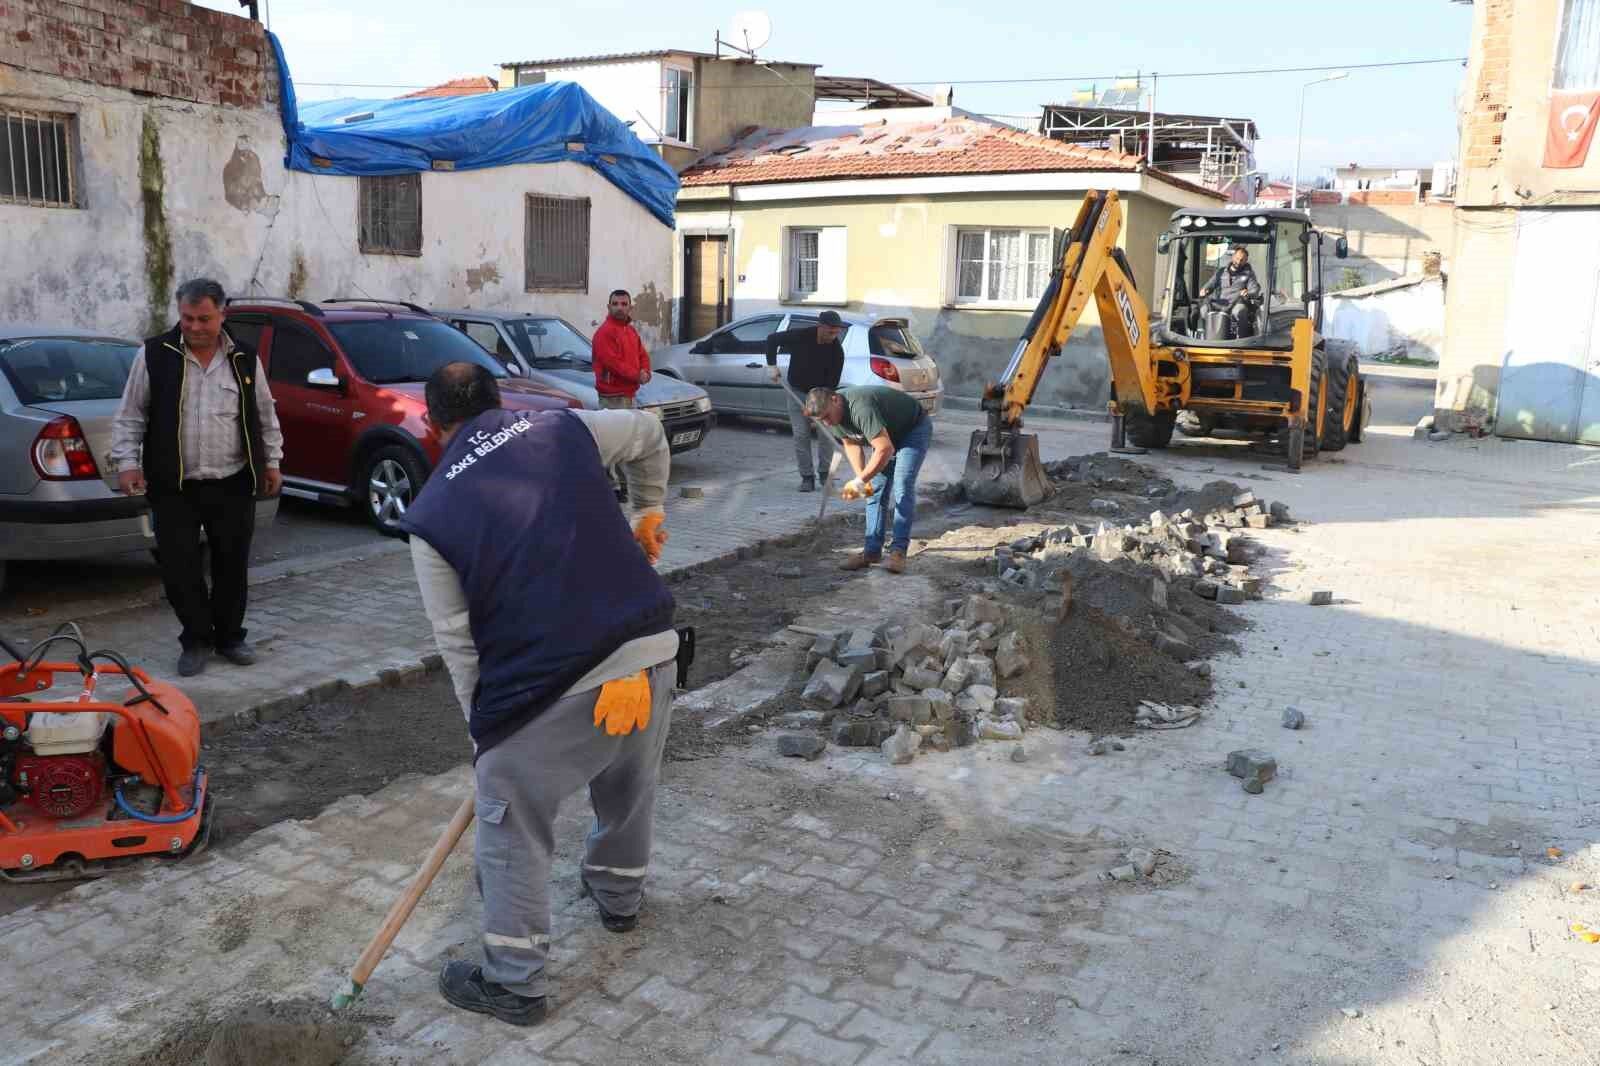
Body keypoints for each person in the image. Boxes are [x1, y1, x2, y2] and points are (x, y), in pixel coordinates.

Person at [400, 362, 677, 1028]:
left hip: (556, 679)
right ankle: (618, 898)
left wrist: (486, 742)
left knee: (510, 814)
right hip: (653, 648)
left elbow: (458, 643)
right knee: (629, 780)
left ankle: (516, 983)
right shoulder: (564, 427)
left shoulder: (431, 515)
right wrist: (649, 512)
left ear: (434, 427)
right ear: (501, 402)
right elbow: (650, 432)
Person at [109, 278, 284, 677]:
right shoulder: (155, 354)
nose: (194, 326)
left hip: (232, 481)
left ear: (223, 314)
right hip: (174, 486)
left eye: (204, 318)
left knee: (232, 565)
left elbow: (265, 416)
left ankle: (230, 638)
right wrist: (127, 464)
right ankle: (196, 639)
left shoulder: (244, 358)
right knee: (179, 567)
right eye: (187, 318)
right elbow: (131, 414)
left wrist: (272, 462)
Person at [803, 384, 933, 575]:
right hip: (885, 435)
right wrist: (862, 479)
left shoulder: (861, 408)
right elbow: (851, 443)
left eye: (827, 417)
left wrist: (860, 480)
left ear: (835, 399)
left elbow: (885, 449)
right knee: (874, 490)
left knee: (902, 484)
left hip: (912, 429)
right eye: (822, 420)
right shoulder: (832, 417)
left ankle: (898, 553)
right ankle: (872, 552)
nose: (827, 423)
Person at [765, 310, 846, 492]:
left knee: (826, 435)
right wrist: (772, 365)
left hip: (821, 396)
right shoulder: (802, 336)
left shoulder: (836, 352)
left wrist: (820, 407)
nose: (833, 336)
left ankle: (825, 475)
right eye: (830, 332)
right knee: (801, 435)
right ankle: (807, 477)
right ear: (821, 327)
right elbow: (772, 340)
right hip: (797, 392)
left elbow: (831, 385)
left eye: (836, 333)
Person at [591, 289, 652, 409]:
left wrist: (646, 372)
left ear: (630, 308)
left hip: (630, 395)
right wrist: (637, 376)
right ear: (609, 307)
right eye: (615, 304)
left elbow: (643, 355)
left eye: (624, 304)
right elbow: (613, 363)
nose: (619, 308)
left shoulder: (631, 331)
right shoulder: (604, 332)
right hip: (612, 398)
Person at [1198, 244, 1262, 337]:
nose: (1238, 262)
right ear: (1233, 257)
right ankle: (1205, 337)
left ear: (1245, 261)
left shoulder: (1249, 274)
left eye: (1242, 260)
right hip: (1219, 303)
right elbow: (1209, 285)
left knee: (1239, 311)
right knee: (1204, 310)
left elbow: (1255, 290)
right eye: (1237, 258)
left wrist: (1248, 293)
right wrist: (1204, 290)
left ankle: (1241, 339)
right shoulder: (1221, 272)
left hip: (1236, 303)